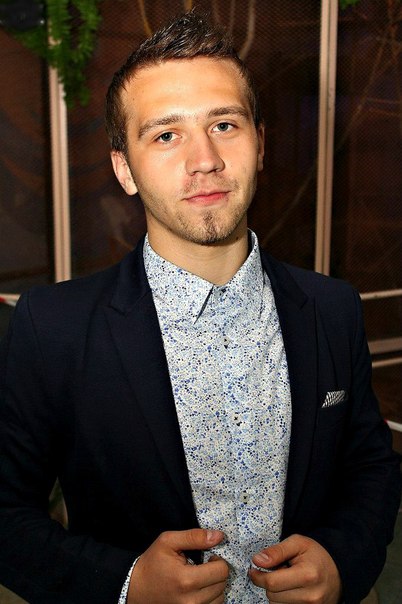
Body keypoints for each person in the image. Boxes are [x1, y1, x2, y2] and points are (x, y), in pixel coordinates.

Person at [0, 10, 400, 604]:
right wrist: (126, 585)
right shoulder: (53, 327)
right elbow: (6, 516)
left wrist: (342, 560)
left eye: (224, 125)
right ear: (124, 168)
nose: (204, 159)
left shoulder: (332, 307)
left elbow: (370, 466)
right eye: (166, 135)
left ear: (260, 144)